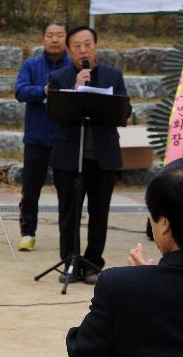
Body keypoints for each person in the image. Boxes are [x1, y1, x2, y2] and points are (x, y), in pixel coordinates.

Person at [22, 156, 183, 357]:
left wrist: (144, 283)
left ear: (163, 225)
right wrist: (153, 279)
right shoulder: (129, 286)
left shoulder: (121, 286)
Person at [47, 27, 129, 284]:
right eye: (77, 46)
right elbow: (56, 114)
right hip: (69, 155)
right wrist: (75, 89)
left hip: (102, 155)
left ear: (95, 46)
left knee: (99, 211)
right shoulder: (59, 77)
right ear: (69, 50)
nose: (83, 50)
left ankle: (93, 263)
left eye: (88, 44)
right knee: (69, 211)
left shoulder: (113, 75)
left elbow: (124, 112)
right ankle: (71, 261)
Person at [15, 21, 71, 251]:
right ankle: (28, 233)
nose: (55, 39)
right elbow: (20, 91)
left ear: (66, 39)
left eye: (59, 35)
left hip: (64, 138)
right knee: (31, 188)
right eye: (50, 35)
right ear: (43, 39)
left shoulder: (74, 67)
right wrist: (43, 91)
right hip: (36, 138)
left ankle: (66, 235)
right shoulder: (32, 65)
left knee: (66, 189)